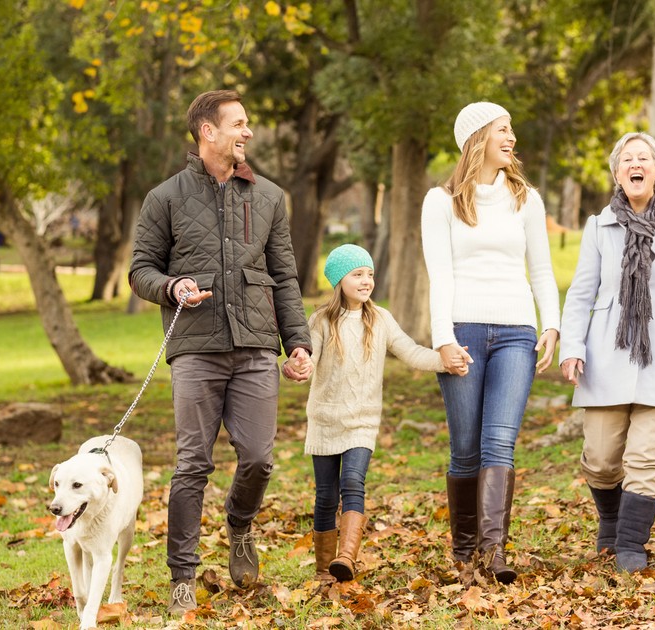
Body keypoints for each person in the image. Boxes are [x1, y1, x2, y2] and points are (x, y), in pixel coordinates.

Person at [128, 89, 313, 614]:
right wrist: (172, 287)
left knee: (258, 458)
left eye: (247, 123)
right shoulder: (163, 198)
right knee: (192, 464)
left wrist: (297, 343)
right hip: (195, 350)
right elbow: (141, 269)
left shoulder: (270, 198)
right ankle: (182, 576)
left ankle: (239, 527)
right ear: (208, 131)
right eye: (238, 123)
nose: (247, 133)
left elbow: (285, 277)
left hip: (256, 347)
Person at [558, 132, 655, 572]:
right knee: (602, 459)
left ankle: (631, 545)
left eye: (643, 157)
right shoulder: (597, 226)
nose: (636, 163)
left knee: (645, 458)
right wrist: (571, 346)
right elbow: (581, 293)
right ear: (617, 174)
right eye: (627, 158)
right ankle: (610, 520)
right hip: (607, 354)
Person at [421, 102, 561, 584]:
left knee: (499, 441)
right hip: (462, 332)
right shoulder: (440, 202)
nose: (512, 138)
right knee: (464, 447)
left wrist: (552, 325)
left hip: (516, 333)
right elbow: (439, 275)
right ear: (478, 137)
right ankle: (464, 551)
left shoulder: (526, 198)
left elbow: (541, 270)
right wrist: (442, 339)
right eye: (504, 130)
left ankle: (493, 550)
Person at [303, 244, 461, 583]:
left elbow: (412, 352)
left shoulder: (380, 319)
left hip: (362, 421)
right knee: (326, 495)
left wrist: (445, 360)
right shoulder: (321, 320)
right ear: (338, 280)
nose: (366, 281)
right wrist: (297, 365)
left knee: (352, 482)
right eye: (357, 274)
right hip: (325, 420)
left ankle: (346, 557)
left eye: (370, 274)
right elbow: (309, 359)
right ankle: (323, 569)